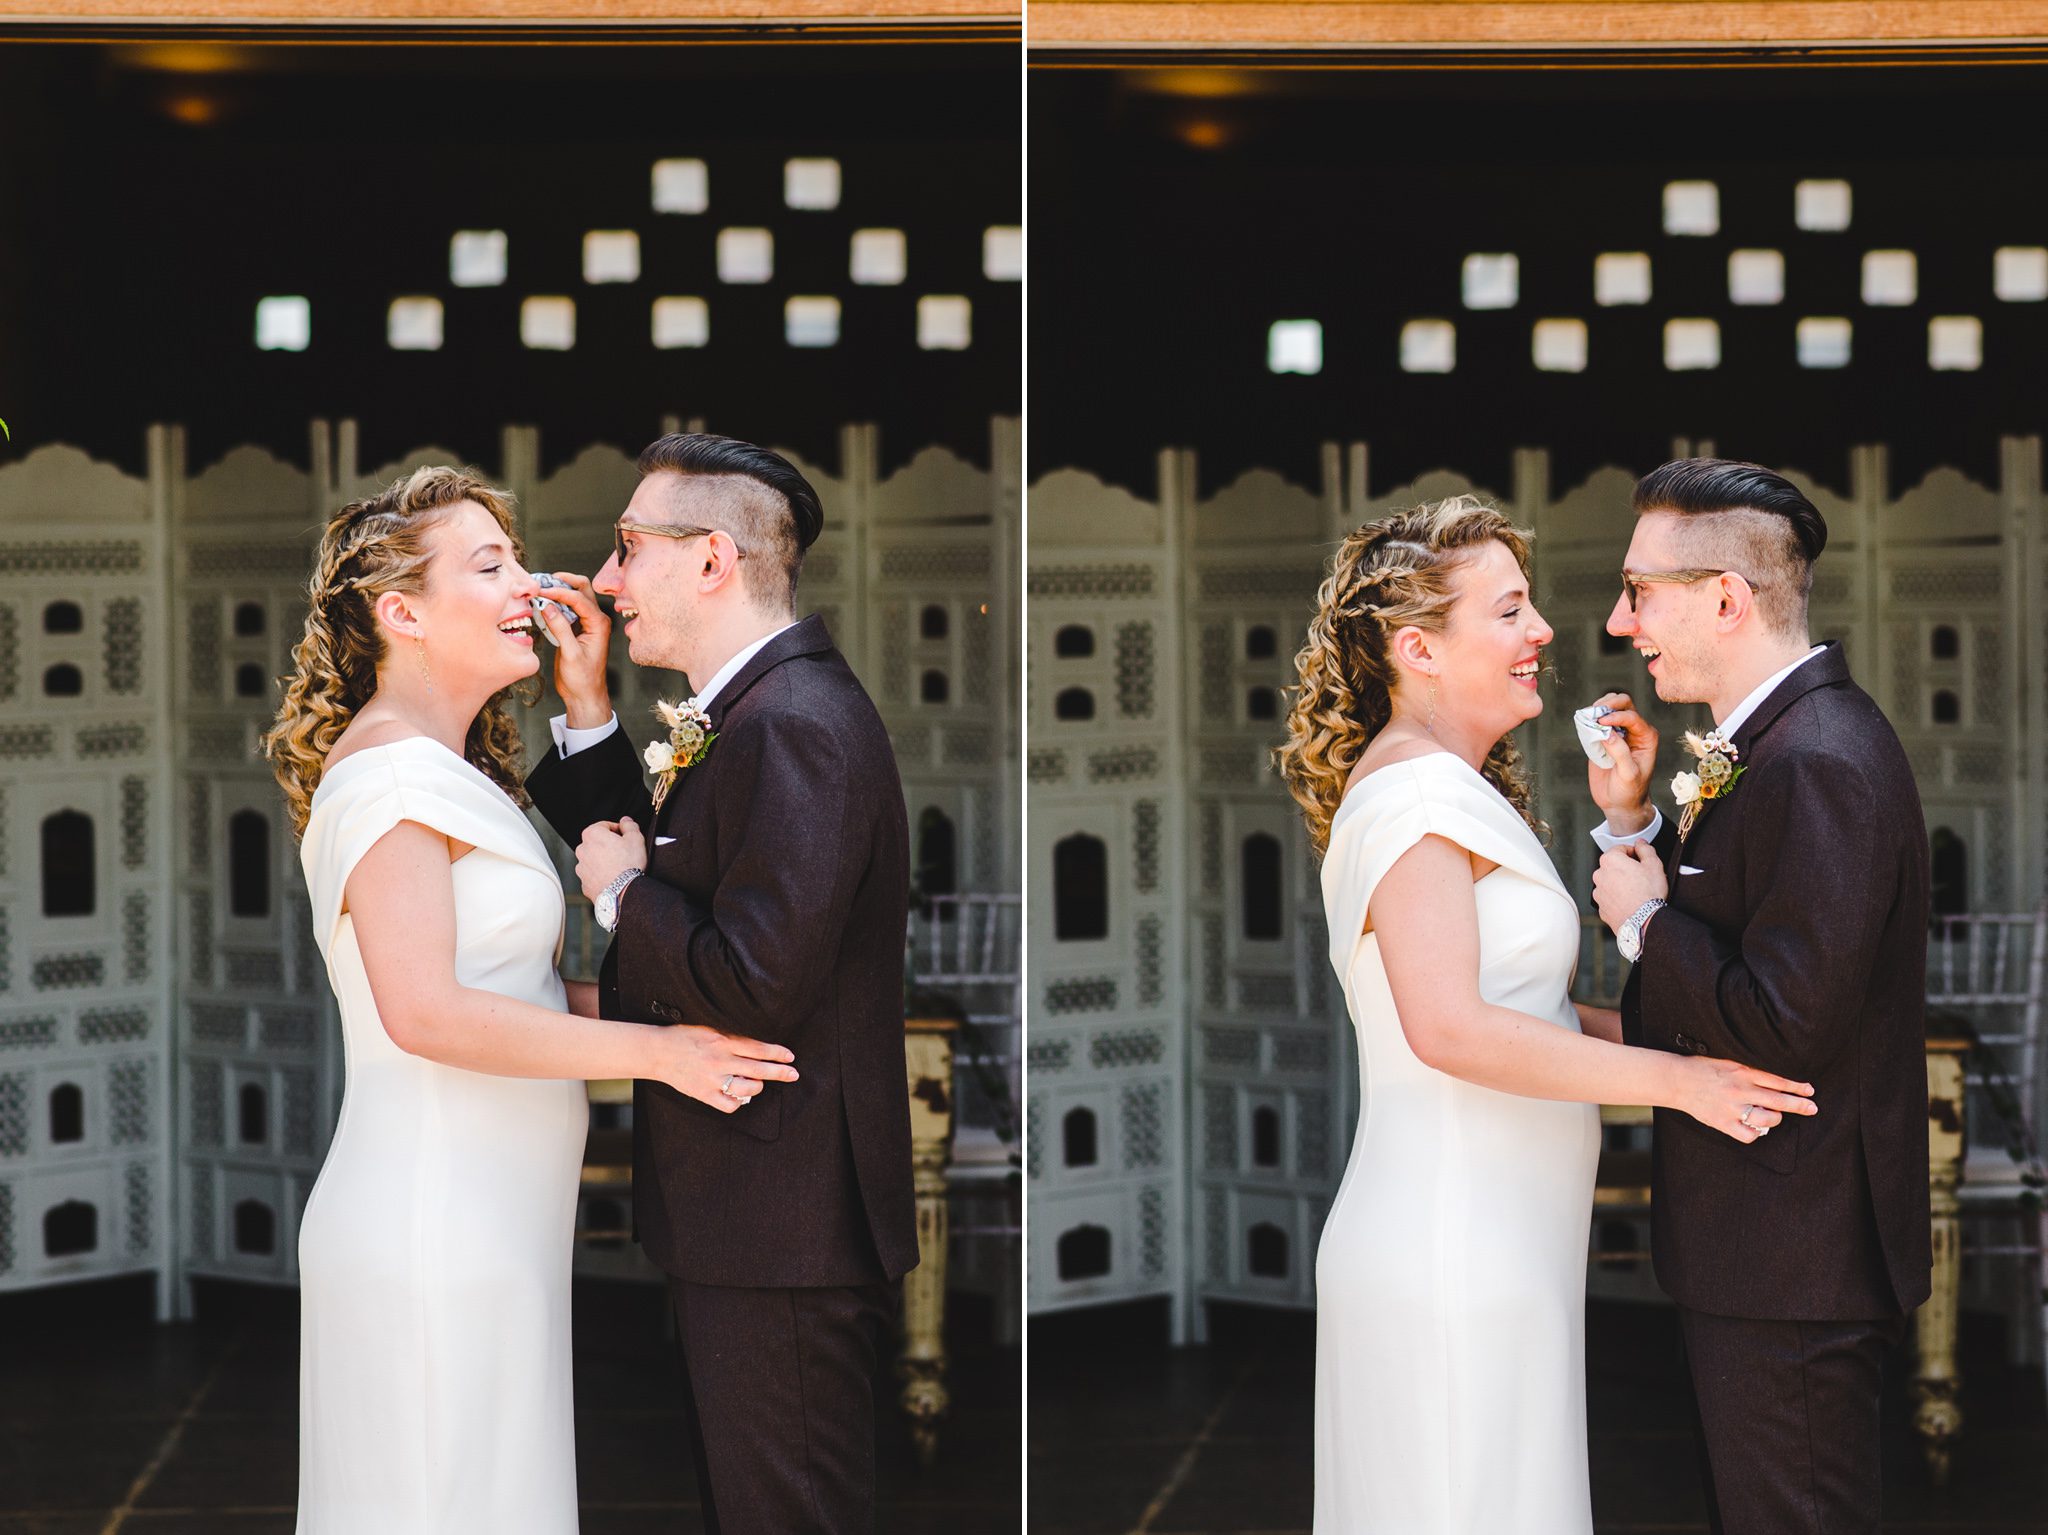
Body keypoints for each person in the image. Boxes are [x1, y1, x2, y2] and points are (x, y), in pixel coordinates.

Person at [267, 467, 798, 1535]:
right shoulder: (386, 780)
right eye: (489, 563)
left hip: (495, 1225)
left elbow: (525, 991)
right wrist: (663, 1056)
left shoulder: (448, 768)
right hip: (432, 1225)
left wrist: (700, 1006)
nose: (532, 582)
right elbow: (423, 1011)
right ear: (401, 613)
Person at [1274, 493, 1817, 1535]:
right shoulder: (1411, 801)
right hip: (1449, 1247)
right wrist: (1684, 1084)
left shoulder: (1446, 786)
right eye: (1509, 611)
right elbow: (1450, 1029)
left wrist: (1707, 1036)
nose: (1542, 633)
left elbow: (1533, 1012)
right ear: (1417, 647)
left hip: (1503, 1242)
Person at [525, 433, 918, 1535]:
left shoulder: (796, 726)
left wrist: (617, 898)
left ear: (710, 560)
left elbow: (752, 980)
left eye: (624, 547)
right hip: (750, 1212)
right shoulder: (754, 711)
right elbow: (660, 852)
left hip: (781, 1217)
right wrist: (590, 705)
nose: (603, 581)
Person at [1590, 458, 1931, 1535]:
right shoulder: (1774, 745)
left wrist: (1641, 920)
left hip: (1795, 1250)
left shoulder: (1814, 759)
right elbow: (1734, 947)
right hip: (1772, 1247)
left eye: (1639, 588)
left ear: (1724, 597)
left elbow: (1787, 1018)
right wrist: (1635, 825)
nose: (1615, 618)